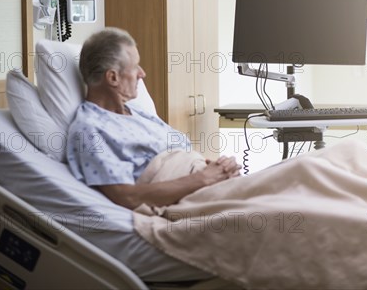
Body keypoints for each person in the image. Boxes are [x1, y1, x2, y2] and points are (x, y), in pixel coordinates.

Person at [67, 28, 241, 209]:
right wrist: (203, 178)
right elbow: (127, 197)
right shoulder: (89, 129)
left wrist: (218, 168)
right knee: (272, 196)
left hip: (205, 183)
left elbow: (180, 157)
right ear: (113, 77)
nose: (142, 74)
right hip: (188, 199)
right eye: (135, 67)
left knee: (272, 181)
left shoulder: (137, 113)